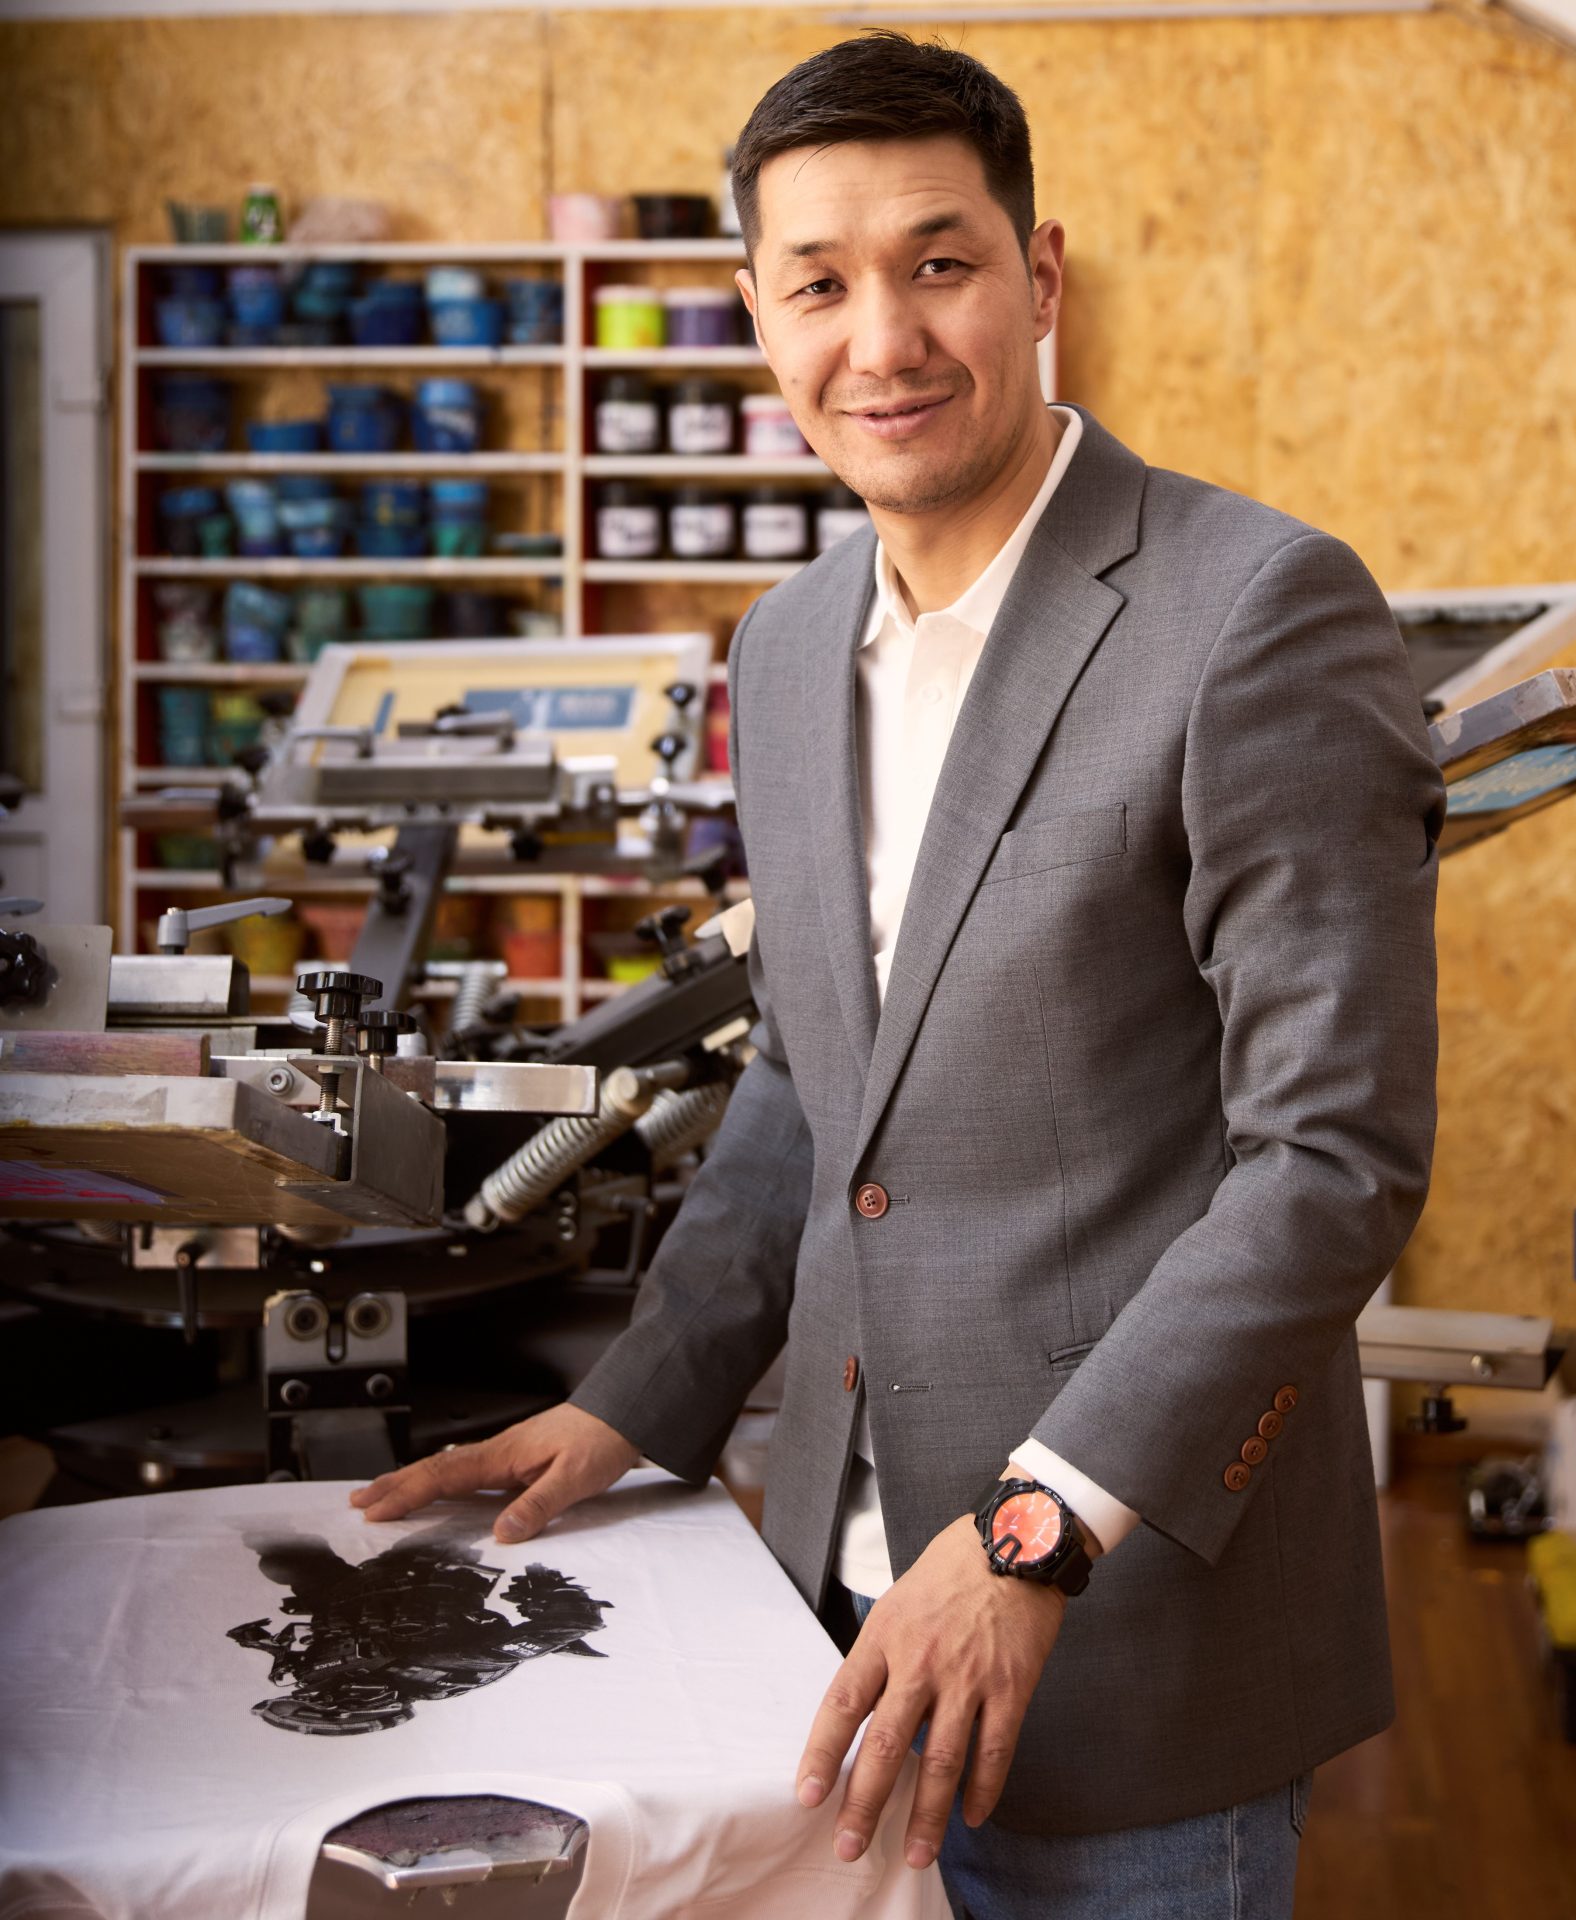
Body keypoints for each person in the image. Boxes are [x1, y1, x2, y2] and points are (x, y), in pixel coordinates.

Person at [353, 32, 1444, 1918]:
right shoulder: (782, 651)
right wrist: (640, 1397)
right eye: (821, 284)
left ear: (1039, 277)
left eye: (939, 263)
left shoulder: (1255, 610)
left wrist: (1029, 1537)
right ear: (761, 325)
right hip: (819, 1620)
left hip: (1122, 1642)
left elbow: (1330, 1160)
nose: (886, 340)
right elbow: (805, 1085)